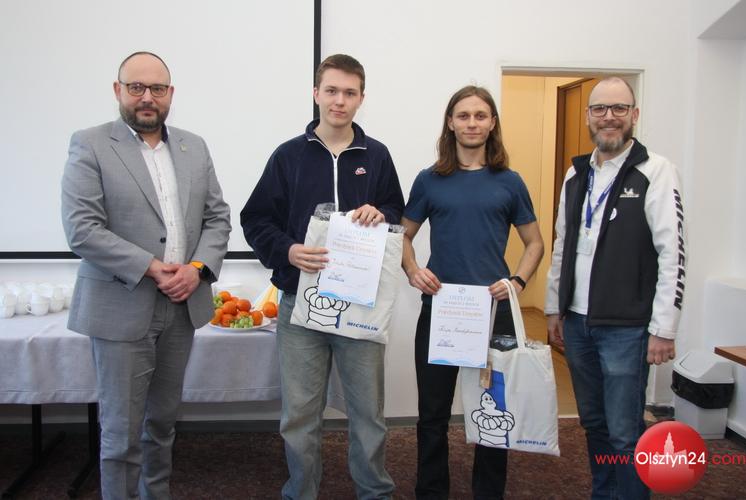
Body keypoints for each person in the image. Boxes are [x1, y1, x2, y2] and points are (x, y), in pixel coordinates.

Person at [61, 51, 231, 499]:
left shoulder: (194, 147)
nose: (147, 97)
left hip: (181, 307)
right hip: (121, 306)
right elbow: (82, 229)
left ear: (170, 93)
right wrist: (152, 267)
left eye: (157, 88)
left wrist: (197, 270)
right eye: (136, 87)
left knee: (162, 424)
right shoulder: (90, 144)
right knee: (121, 433)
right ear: (118, 90)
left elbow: (217, 219)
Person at [240, 54, 404, 499]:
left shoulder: (377, 155)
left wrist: (382, 214)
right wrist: (289, 251)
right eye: (331, 90)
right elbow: (255, 219)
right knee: (300, 416)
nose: (339, 101)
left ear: (361, 98)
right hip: (301, 305)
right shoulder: (288, 156)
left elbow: (397, 211)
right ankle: (301, 492)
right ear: (316, 94)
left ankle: (375, 493)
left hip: (363, 305)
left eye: (349, 93)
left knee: (368, 413)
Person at [545, 77, 686, 499]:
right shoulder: (576, 173)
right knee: (594, 424)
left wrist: (664, 328)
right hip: (578, 322)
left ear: (634, 115)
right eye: (600, 109)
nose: (609, 117)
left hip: (627, 327)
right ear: (588, 117)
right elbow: (562, 244)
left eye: (619, 108)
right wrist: (554, 307)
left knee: (625, 432)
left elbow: (673, 253)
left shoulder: (655, 171)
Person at [401, 85, 544, 499]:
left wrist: (517, 282)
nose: (472, 123)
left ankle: (489, 492)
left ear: (492, 123)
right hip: (441, 310)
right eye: (463, 116)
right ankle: (431, 492)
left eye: (481, 116)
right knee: (432, 415)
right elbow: (402, 236)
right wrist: (414, 271)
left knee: (491, 410)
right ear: (450, 122)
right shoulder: (430, 180)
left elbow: (535, 243)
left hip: (493, 313)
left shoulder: (509, 182)